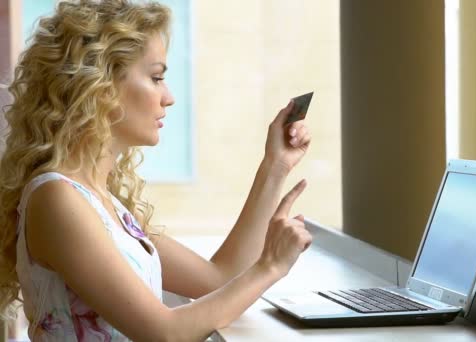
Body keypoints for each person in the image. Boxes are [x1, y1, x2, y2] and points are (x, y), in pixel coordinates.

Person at [0, 0, 313, 340]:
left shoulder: (103, 204)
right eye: (156, 77)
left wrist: (276, 165)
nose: (169, 97)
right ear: (99, 86)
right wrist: (271, 267)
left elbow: (218, 279)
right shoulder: (56, 199)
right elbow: (163, 334)